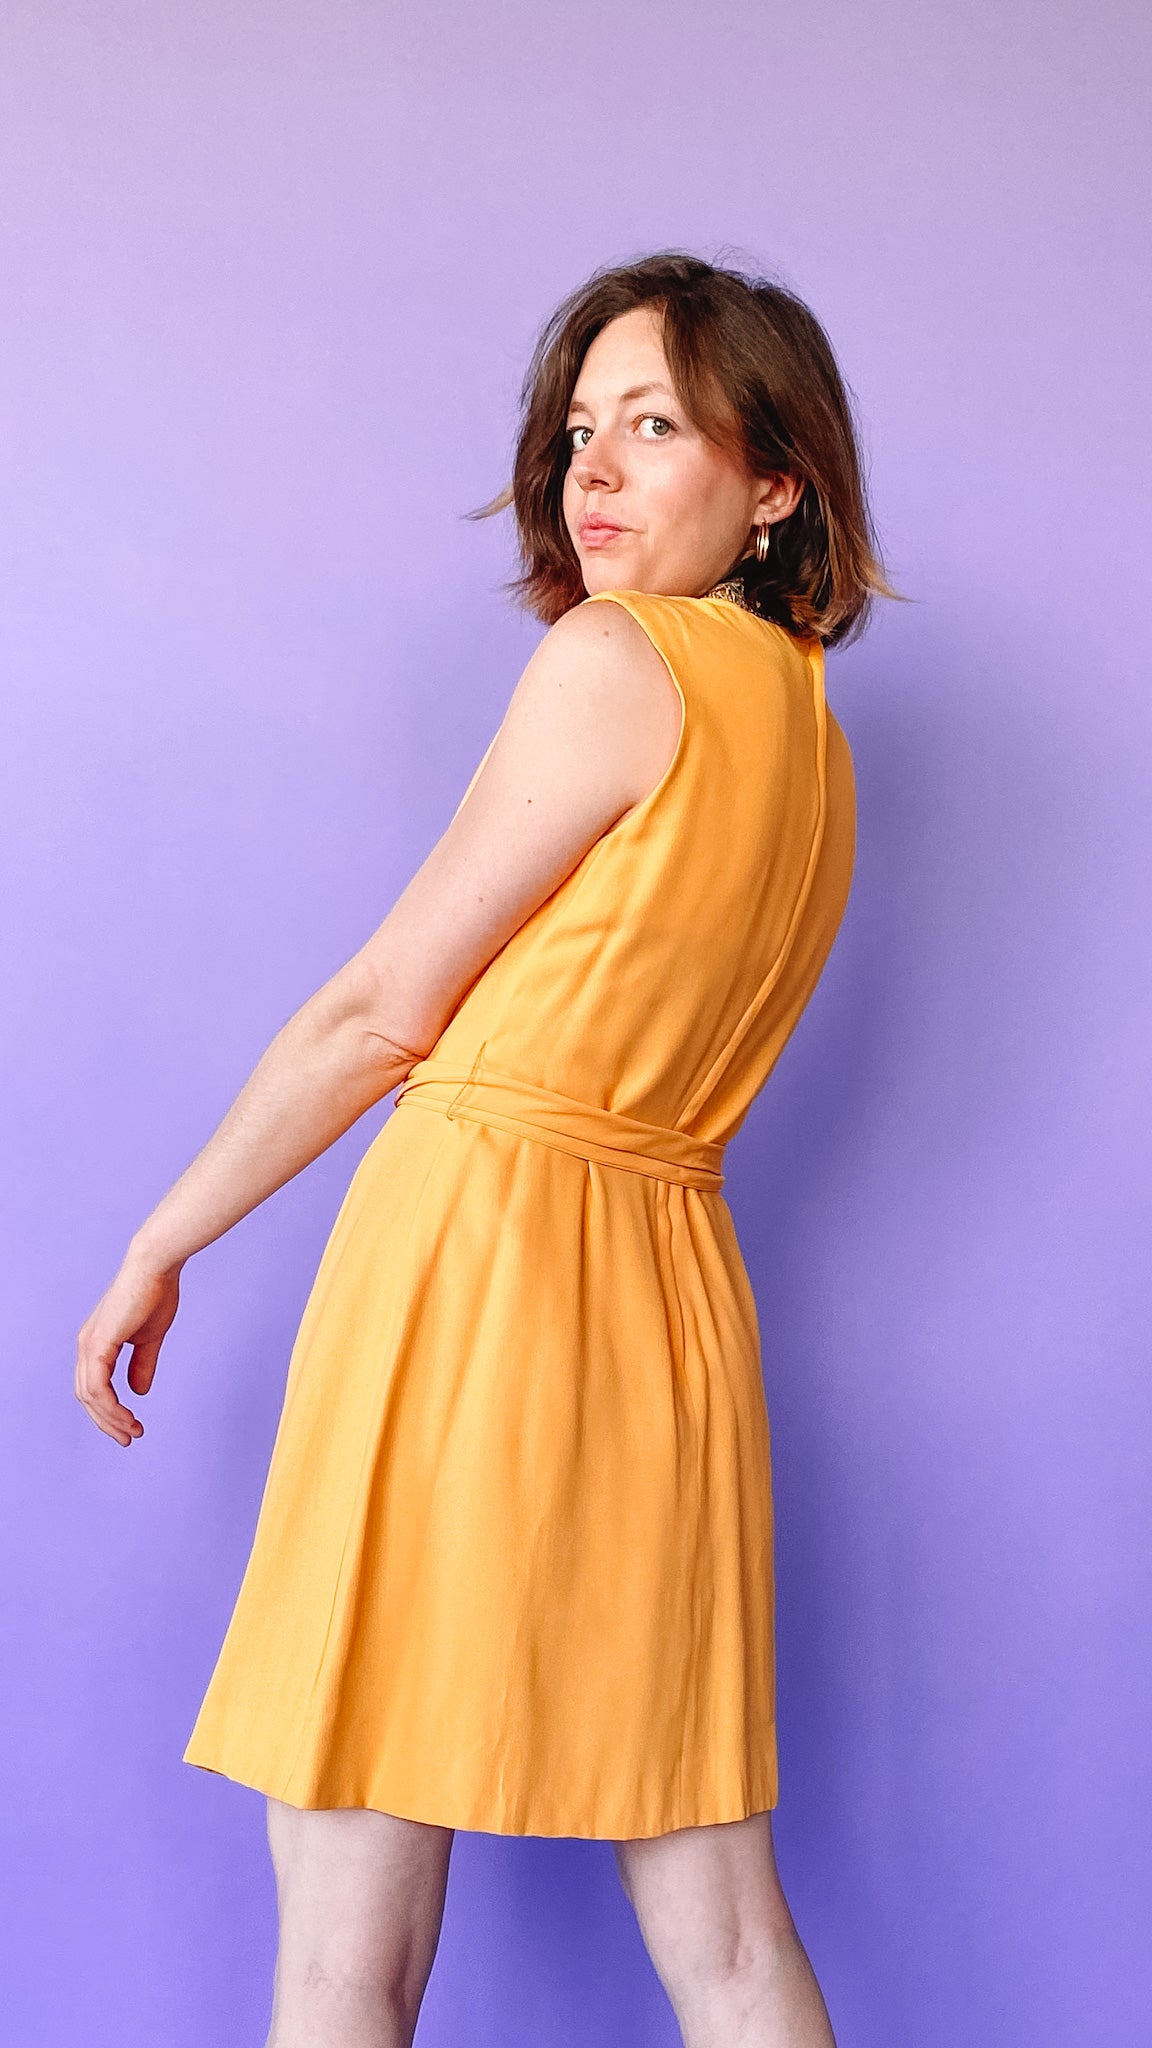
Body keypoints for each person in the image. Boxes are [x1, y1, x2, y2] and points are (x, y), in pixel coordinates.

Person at [76, 251, 899, 2048]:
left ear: (777, 483)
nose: (593, 469)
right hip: (674, 1301)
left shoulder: (617, 662)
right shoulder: (814, 740)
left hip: (477, 1269)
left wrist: (166, 1233)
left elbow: (387, 1009)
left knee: (344, 1941)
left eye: (656, 425)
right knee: (729, 1932)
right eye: (581, 427)